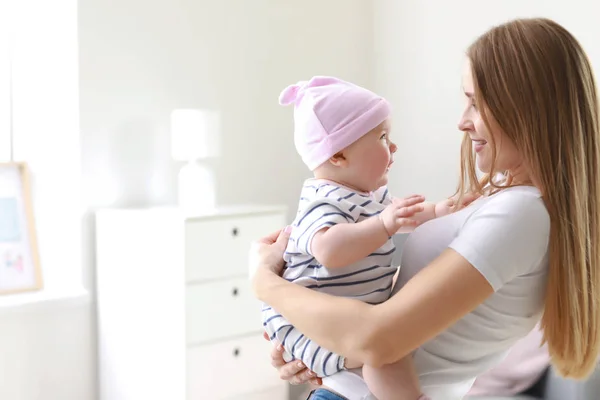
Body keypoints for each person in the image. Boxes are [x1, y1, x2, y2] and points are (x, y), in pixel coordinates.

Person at [251, 17, 600, 400]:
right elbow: (392, 307)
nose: (462, 122)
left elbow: (378, 340)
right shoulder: (509, 200)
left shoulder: (522, 214)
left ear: (527, 109)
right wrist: (313, 342)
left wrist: (265, 283)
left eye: (475, 103)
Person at [263, 76, 465, 400]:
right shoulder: (323, 200)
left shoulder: (368, 198)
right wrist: (384, 224)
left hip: (346, 327)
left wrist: (441, 210)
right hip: (318, 329)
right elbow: (329, 250)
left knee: (384, 353)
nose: (394, 146)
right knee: (383, 354)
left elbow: (404, 216)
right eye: (383, 136)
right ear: (339, 155)